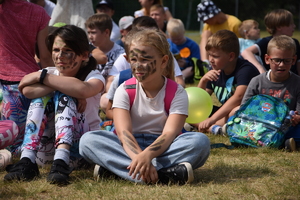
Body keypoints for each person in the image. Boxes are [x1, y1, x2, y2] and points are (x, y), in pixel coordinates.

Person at [79, 28, 210, 185]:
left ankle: (121, 171)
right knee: (88, 140)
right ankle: (165, 175)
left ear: (163, 61)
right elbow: (123, 132)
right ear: (127, 59)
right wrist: (139, 157)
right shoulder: (124, 90)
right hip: (127, 146)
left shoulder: (177, 92)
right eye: (134, 60)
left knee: (200, 142)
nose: (139, 66)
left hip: (165, 147)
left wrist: (147, 156)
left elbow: (169, 134)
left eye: (146, 60)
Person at [3, 25, 105, 184]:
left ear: (84, 55)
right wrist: (51, 81)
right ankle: (27, 161)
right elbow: (26, 88)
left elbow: (84, 90)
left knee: (65, 95)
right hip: (44, 152)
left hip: (79, 152)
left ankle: (61, 162)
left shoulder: (94, 75)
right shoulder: (50, 73)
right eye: (56, 50)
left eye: (67, 51)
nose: (60, 56)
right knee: (40, 98)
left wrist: (43, 78)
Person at [0, 0, 54, 155]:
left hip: (9, 83)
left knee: (12, 145)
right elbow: (44, 55)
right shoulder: (39, 13)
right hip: (30, 79)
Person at [241, 35, 300, 151]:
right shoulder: (257, 81)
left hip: (287, 127)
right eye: (277, 60)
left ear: (293, 60)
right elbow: (244, 107)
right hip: (258, 125)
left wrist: (297, 117)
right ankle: (284, 143)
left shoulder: (298, 83)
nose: (281, 65)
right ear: (267, 59)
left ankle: (267, 141)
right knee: (233, 118)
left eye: (286, 61)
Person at [196, 30, 259, 135]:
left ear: (231, 56)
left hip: (247, 112)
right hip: (225, 114)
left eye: (215, 56)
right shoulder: (215, 70)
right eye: (209, 55)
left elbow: (238, 98)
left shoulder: (245, 70)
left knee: (236, 110)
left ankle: (204, 125)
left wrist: (211, 119)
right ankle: (215, 129)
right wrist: (203, 81)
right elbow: (199, 102)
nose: (211, 60)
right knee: (186, 108)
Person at [85, 13, 125, 112]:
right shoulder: (86, 49)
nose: (90, 36)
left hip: (108, 96)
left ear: (106, 32)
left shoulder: (120, 54)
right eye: (88, 32)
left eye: (93, 32)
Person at [241, 9, 300, 75]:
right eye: (290, 24)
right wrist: (260, 69)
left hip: (292, 82)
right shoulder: (267, 42)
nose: (294, 26)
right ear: (279, 27)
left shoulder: (294, 42)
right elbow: (246, 52)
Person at [197, 0, 241, 65]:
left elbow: (240, 44)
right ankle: (205, 63)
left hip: (227, 54)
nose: (204, 22)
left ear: (212, 15)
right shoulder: (208, 26)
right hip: (214, 54)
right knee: (206, 33)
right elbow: (203, 43)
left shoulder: (234, 23)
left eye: (205, 19)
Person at [167, 18, 201, 83]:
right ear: (168, 34)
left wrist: (185, 64)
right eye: (173, 39)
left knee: (191, 69)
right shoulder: (166, 44)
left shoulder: (192, 45)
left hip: (186, 70)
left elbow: (197, 64)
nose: (176, 41)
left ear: (184, 32)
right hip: (170, 69)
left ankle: (177, 79)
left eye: (179, 39)